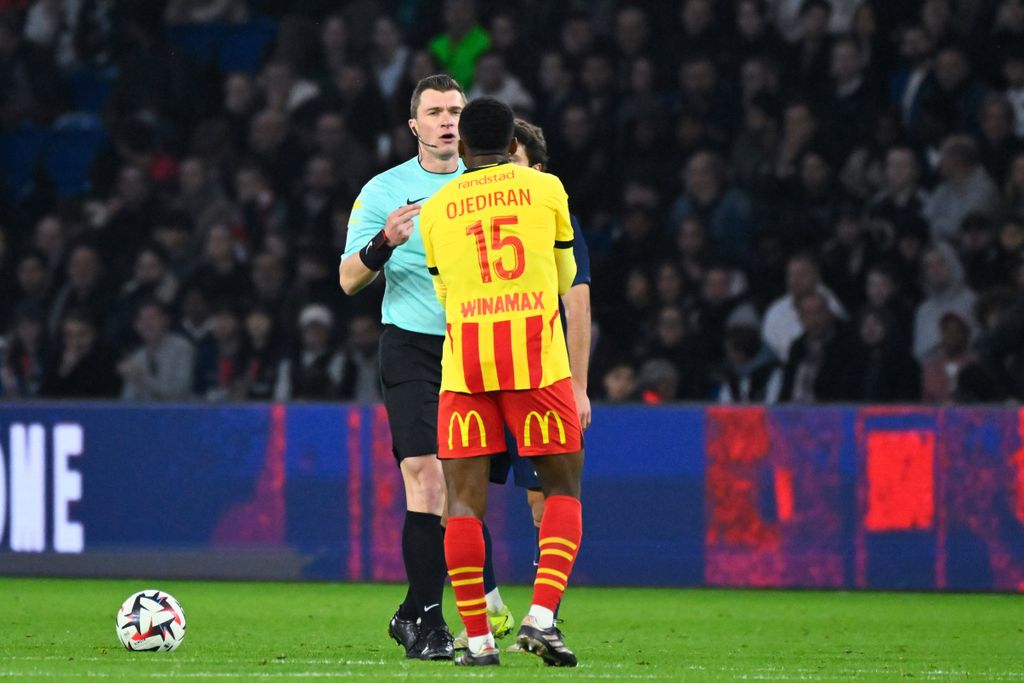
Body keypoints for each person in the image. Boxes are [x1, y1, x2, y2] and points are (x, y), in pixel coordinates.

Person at [420, 97, 584, 667]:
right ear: (511, 141)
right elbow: (565, 277)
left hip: (465, 368)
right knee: (561, 492)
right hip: (538, 364)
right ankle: (542, 618)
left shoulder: (437, 209)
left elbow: (444, 293)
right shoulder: (548, 190)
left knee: (463, 505)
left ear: (461, 146)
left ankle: (481, 642)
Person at [338, 74, 465, 661]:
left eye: (455, 111)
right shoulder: (384, 190)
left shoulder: (490, 185)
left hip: (475, 350)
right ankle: (432, 623)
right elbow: (347, 279)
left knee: (462, 494)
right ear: (413, 125)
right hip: (412, 345)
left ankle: (413, 611)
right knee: (426, 474)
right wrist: (383, 243)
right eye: (435, 112)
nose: (447, 121)